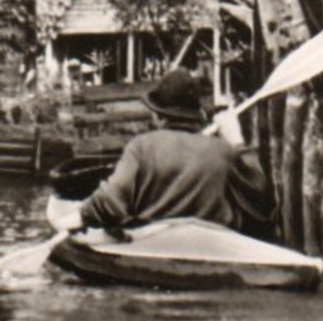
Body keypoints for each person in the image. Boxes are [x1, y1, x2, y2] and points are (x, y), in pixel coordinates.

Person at [53, 67, 275, 237]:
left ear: (158, 116)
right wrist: (237, 142)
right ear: (198, 114)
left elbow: (111, 203)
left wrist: (77, 218)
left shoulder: (140, 147)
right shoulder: (223, 151)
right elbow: (263, 200)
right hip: (211, 247)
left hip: (153, 244)